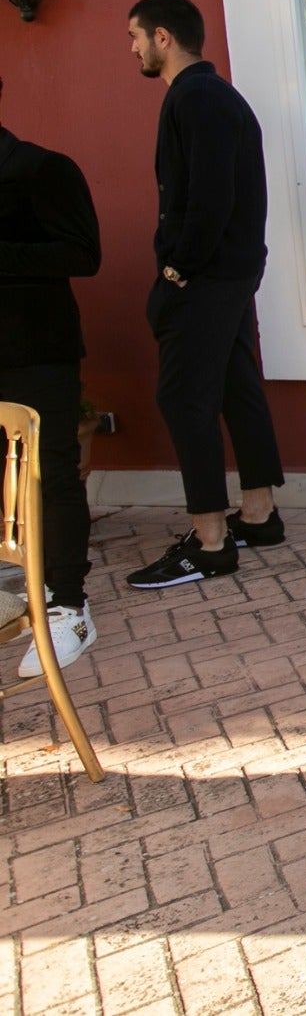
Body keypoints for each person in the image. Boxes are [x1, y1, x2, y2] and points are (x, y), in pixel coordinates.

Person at [123, 0, 289, 590]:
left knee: (183, 398)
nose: (134, 49)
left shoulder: (195, 97)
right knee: (233, 385)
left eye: (137, 37)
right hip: (228, 273)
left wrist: (177, 270)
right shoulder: (213, 97)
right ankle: (259, 514)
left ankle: (212, 543)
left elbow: (209, 198)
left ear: (164, 37)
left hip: (207, 276)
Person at [0, 84, 103, 674]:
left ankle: (70, 609)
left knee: (51, 476)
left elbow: (83, 255)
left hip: (36, 352)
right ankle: (26, 601)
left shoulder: (42, 168)